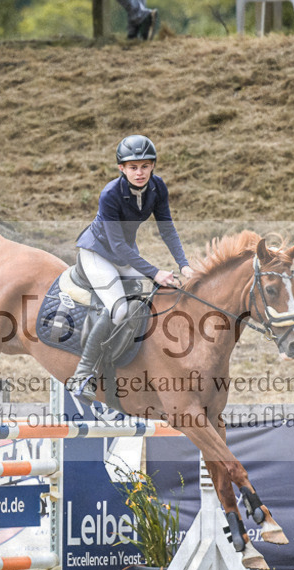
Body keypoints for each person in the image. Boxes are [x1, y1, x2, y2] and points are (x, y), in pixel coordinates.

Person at [67, 134, 193, 403]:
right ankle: (83, 373)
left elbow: (167, 229)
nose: (140, 172)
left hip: (123, 253)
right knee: (119, 308)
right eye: (133, 167)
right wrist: (155, 271)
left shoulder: (158, 188)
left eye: (145, 166)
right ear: (121, 169)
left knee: (146, 300)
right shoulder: (110, 194)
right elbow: (118, 246)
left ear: (153, 167)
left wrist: (184, 265)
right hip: (98, 253)